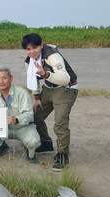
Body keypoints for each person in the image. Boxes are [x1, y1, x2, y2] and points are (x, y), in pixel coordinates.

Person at [21, 33, 78, 171]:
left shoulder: (52, 55)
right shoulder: (29, 61)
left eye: (35, 47)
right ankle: (45, 143)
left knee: (60, 124)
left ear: (41, 45)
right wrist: (37, 97)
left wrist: (46, 74)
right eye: (28, 49)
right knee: (35, 116)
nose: (32, 52)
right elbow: (33, 81)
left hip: (66, 88)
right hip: (48, 88)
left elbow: (65, 78)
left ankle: (63, 155)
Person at [0, 67, 41, 163]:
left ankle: (30, 152)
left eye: (4, 78)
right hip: (3, 128)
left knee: (33, 141)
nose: (1, 81)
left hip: (22, 127)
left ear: (11, 78)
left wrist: (17, 119)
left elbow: (29, 114)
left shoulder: (22, 93)